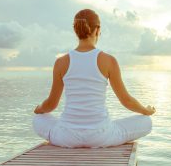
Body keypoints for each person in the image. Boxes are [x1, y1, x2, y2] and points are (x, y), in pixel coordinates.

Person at [32, 9, 156, 148]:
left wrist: (39, 109)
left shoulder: (61, 62)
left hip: (67, 136)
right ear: (97, 30)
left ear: (75, 30)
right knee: (147, 122)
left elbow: (51, 104)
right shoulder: (109, 61)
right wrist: (146, 111)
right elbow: (126, 100)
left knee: (38, 119)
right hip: (101, 136)